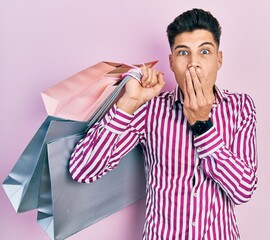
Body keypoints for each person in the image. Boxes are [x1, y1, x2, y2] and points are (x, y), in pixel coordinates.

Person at [69, 8, 258, 239]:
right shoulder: (151, 109)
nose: (193, 64)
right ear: (171, 62)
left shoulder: (240, 107)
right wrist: (129, 103)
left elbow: (243, 190)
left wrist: (202, 126)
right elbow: (82, 170)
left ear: (219, 59)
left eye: (205, 52)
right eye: (183, 53)